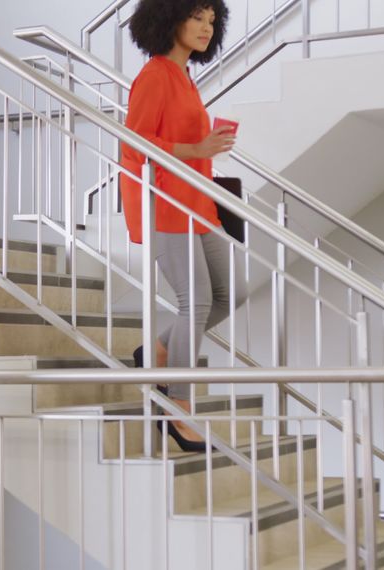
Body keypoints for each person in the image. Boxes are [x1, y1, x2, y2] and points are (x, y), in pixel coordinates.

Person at [121, 0, 249, 451]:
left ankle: (157, 352)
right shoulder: (155, 74)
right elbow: (134, 143)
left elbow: (186, 144)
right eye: (197, 17)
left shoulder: (185, 78)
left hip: (198, 202)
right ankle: (177, 409)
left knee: (232, 292)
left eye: (212, 20)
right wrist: (196, 149)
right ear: (169, 18)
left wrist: (205, 148)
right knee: (193, 301)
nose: (206, 28)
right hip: (164, 204)